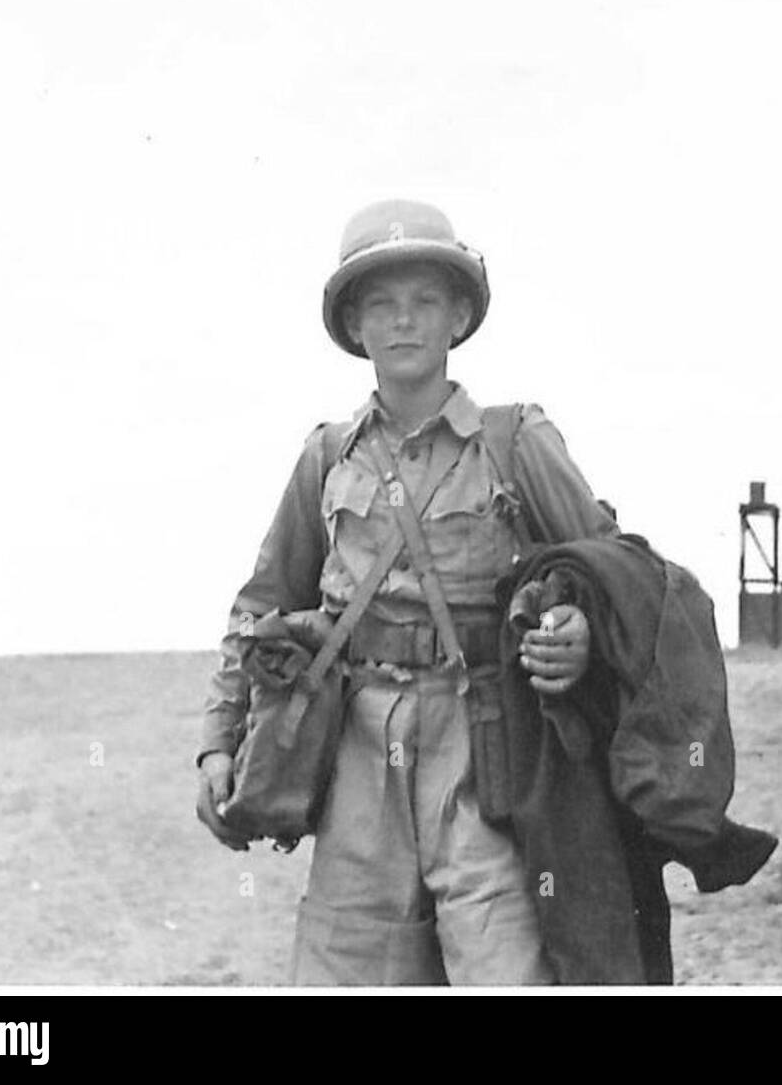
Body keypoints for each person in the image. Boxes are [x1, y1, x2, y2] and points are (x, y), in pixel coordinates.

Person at [195, 198, 620, 986]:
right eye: (382, 304)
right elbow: (260, 602)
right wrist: (220, 741)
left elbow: (613, 570)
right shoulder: (327, 459)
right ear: (355, 324)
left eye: (425, 299)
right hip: (357, 749)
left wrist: (580, 629)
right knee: (345, 972)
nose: (403, 322)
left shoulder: (516, 440)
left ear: (459, 315)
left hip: (483, 745)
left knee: (506, 965)